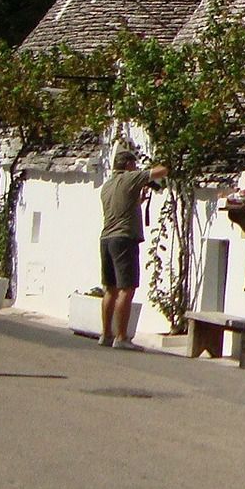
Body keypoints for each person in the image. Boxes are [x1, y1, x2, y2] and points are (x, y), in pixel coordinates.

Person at [99, 149, 167, 350]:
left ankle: (106, 334)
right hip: (124, 238)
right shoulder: (130, 177)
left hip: (106, 238)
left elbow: (121, 208)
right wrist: (166, 162)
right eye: (134, 164)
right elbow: (160, 172)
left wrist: (138, 202)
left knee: (109, 289)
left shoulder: (107, 185)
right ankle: (121, 337)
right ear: (128, 165)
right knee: (126, 289)